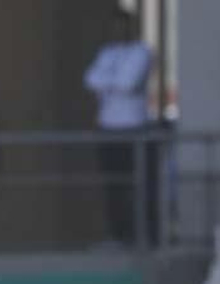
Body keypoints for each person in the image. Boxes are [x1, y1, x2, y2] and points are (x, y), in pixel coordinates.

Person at [84, 8, 154, 247]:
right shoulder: (107, 52)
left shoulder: (142, 52)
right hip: (108, 128)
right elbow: (89, 79)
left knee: (137, 185)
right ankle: (117, 237)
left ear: (131, 28)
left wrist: (107, 82)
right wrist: (111, 80)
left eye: (122, 26)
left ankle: (142, 236)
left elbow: (127, 84)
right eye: (114, 27)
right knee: (113, 185)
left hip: (133, 129)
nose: (118, 31)